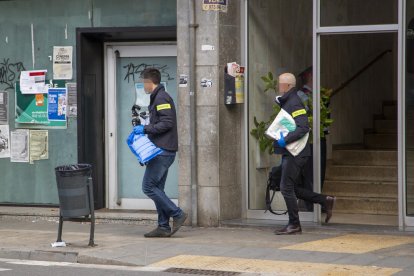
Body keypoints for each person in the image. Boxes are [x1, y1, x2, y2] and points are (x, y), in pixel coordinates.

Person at [273, 73, 335, 235]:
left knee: (285, 187)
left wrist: (284, 140)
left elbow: (302, 127)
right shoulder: (289, 101)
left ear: (287, 86)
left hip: (296, 153)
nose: (278, 86)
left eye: (280, 84)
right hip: (293, 152)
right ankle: (324, 200)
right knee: (292, 187)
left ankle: (294, 224)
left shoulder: (294, 102)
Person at [133, 68, 187, 238]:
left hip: (163, 150)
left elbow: (167, 123)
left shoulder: (162, 97)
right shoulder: (157, 97)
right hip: (161, 149)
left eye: (144, 83)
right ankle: (163, 226)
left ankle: (177, 214)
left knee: (148, 187)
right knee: (158, 189)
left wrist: (145, 129)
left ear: (150, 82)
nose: (143, 86)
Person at [297, 67, 328, 212]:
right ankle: (311, 206)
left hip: (320, 137)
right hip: (309, 139)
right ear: (309, 76)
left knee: (320, 171)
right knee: (310, 173)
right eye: (316, 75)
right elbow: (306, 114)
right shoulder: (302, 94)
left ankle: (318, 203)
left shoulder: (319, 94)